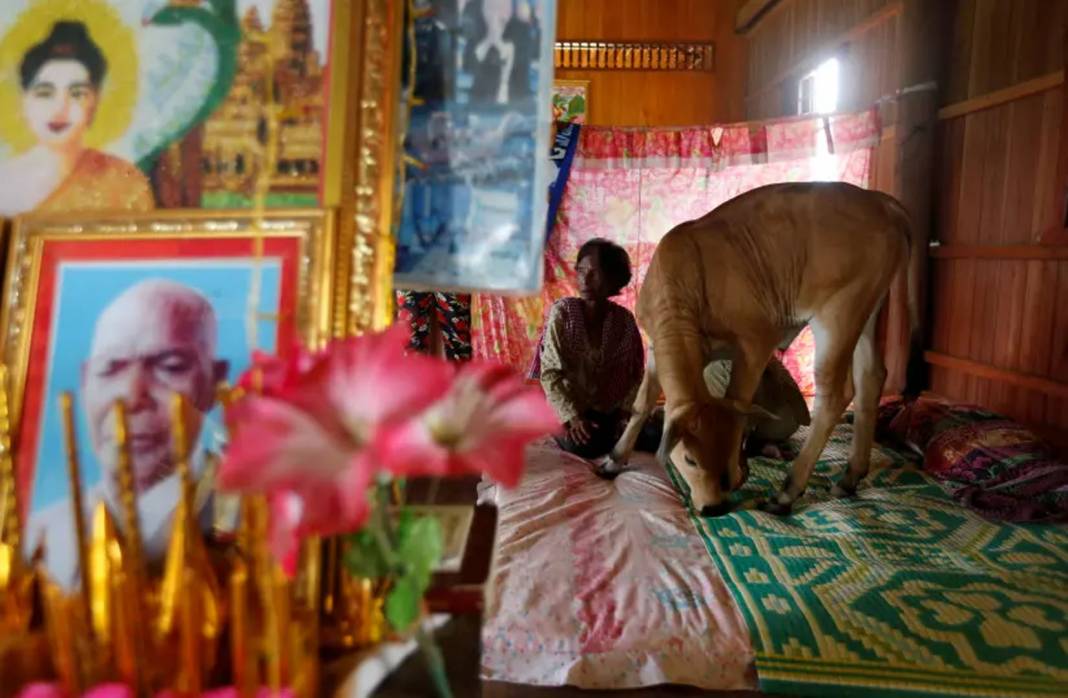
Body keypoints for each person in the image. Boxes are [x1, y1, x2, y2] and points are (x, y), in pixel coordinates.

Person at [25, 279, 230, 588]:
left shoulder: (246, 518)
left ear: (213, 383)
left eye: (170, 366)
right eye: (110, 368)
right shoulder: (40, 536)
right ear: (85, 381)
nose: (132, 396)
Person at [0, 20, 155, 216]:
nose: (60, 109)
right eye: (45, 93)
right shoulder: (3, 182)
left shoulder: (124, 182)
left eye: (77, 94)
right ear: (25, 100)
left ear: (95, 101)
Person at [530, 238, 645, 459]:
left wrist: (623, 415)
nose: (585, 279)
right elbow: (550, 374)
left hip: (607, 410)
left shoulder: (624, 321)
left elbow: (635, 375)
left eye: (595, 272)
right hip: (568, 410)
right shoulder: (563, 313)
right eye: (581, 271)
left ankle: (618, 433)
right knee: (584, 445)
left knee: (645, 431)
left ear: (612, 280)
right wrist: (573, 418)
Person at [461, 0, 538, 104]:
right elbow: (467, 65)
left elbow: (526, 61)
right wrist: (488, 39)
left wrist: (500, 43)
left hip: (518, 102)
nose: (496, 15)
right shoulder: (473, 13)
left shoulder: (522, 17)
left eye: (501, 9)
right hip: (479, 103)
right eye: (491, 9)